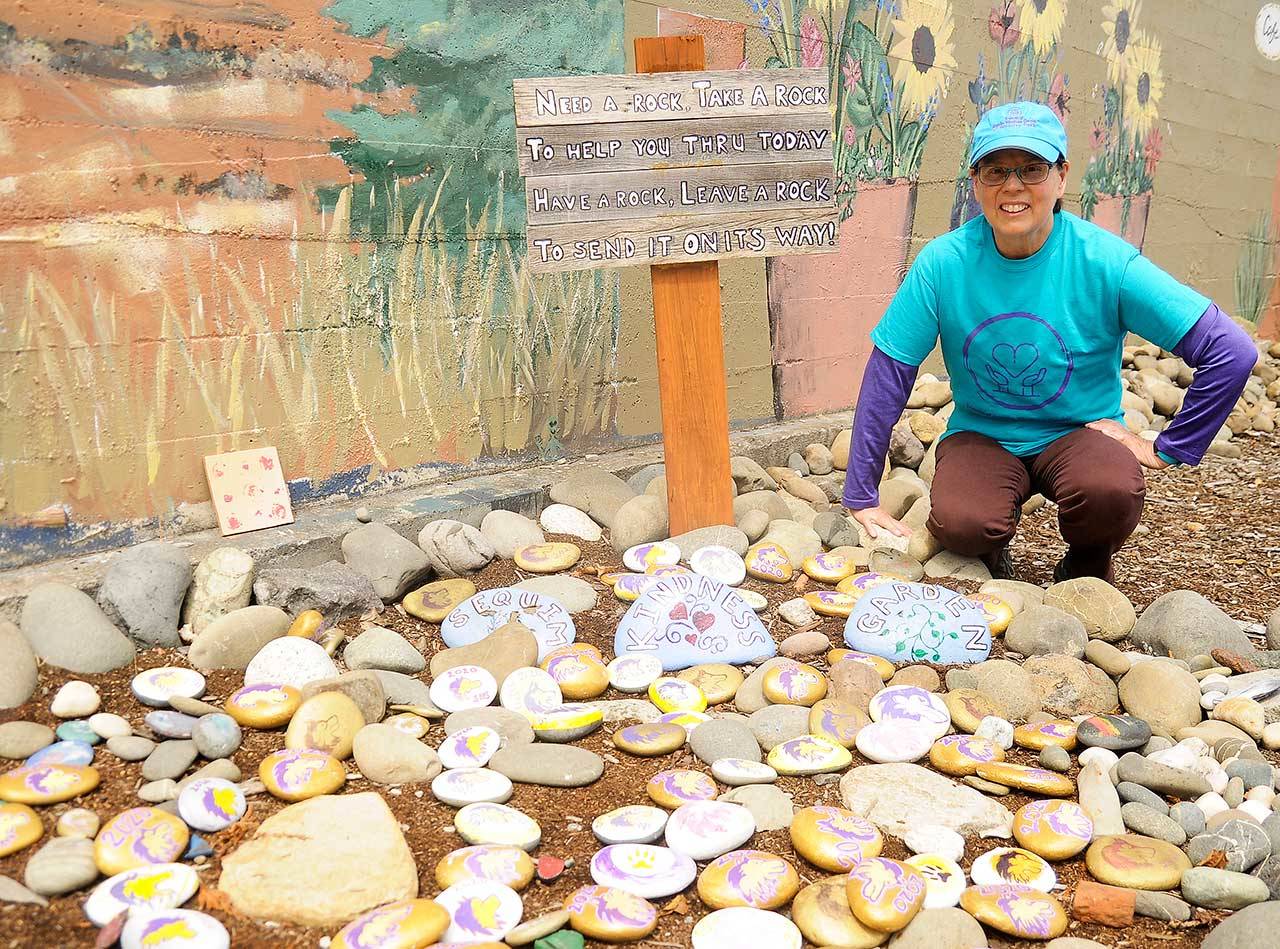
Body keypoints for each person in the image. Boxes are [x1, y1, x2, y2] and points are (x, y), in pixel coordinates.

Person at [840, 101, 1257, 583]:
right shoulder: (943, 263)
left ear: (1062, 177)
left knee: (1111, 491)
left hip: (1079, 433)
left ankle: (1086, 564)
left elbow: (1231, 350)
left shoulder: (1105, 262)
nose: (1013, 186)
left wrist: (1169, 445)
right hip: (983, 434)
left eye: (1032, 169)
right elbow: (889, 373)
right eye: (995, 170)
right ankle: (991, 551)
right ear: (975, 182)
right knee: (963, 523)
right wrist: (862, 496)